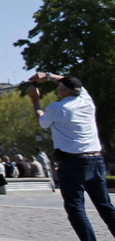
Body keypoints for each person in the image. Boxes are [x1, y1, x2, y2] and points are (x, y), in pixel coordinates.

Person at [28, 72, 115, 241]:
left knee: (75, 207)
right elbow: (70, 82)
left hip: (73, 162)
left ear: (63, 90)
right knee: (105, 205)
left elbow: (42, 122)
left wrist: (35, 100)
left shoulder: (58, 107)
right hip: (95, 158)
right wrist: (47, 76)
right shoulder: (86, 101)